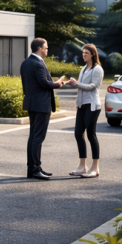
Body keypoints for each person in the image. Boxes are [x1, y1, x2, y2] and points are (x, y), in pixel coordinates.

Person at [60, 44, 103, 178]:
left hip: (92, 105)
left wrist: (77, 84)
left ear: (93, 55)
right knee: (78, 134)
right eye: (83, 53)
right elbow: (82, 85)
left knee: (91, 135)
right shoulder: (84, 68)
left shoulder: (97, 69)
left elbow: (93, 86)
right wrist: (75, 82)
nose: (84, 55)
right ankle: (82, 166)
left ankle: (95, 168)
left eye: (86, 53)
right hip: (82, 105)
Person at [21, 37, 62, 180]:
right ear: (39, 48)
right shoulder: (37, 63)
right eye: (46, 47)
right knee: (38, 137)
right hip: (41, 105)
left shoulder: (25, 62)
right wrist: (57, 84)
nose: (47, 49)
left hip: (32, 103)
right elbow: (44, 83)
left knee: (33, 136)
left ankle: (32, 169)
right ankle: (35, 169)